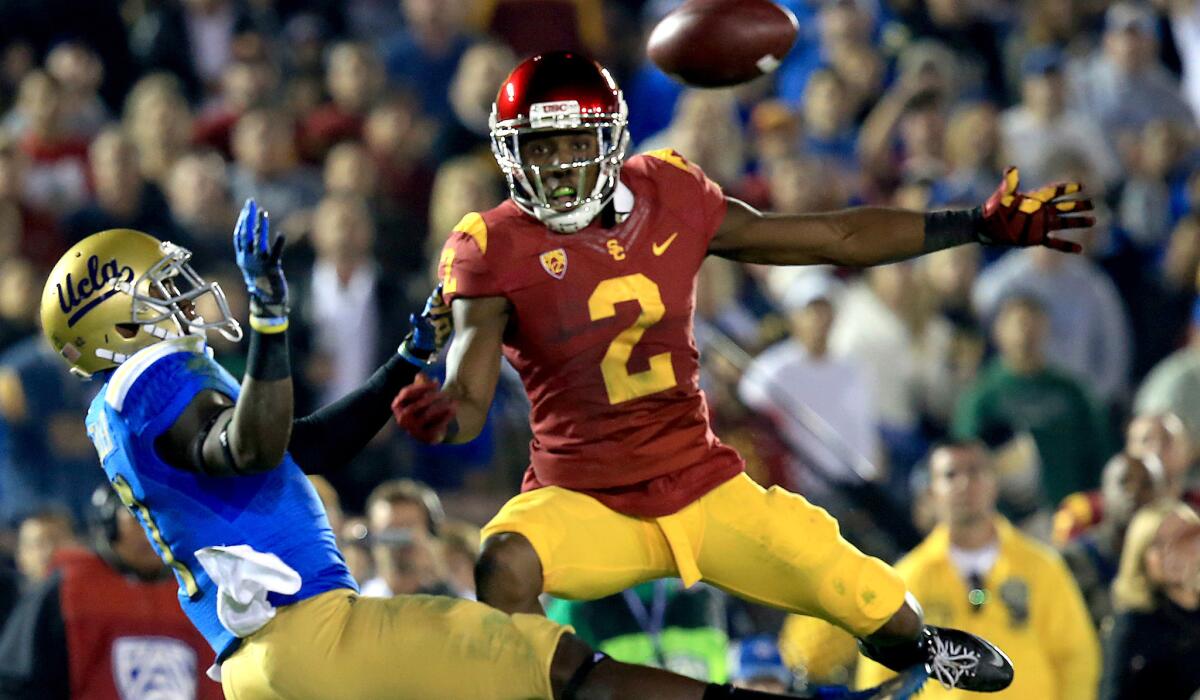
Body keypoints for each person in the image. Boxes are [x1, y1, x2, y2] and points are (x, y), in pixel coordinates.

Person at [392, 51, 1097, 692]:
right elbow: (470, 392)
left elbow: (830, 236)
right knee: (503, 563)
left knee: (866, 596)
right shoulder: (490, 244)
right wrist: (446, 413)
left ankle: (917, 645)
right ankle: (573, 686)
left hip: (701, 486)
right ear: (510, 152)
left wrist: (972, 224)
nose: (562, 165)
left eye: (578, 142)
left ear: (611, 142)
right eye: (543, 147)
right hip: (583, 498)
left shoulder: (670, 191)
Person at [41, 203, 856, 700]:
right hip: (311, 635)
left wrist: (402, 363)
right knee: (554, 665)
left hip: (268, 662)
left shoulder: (130, 408)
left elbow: (302, 446)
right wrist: (269, 324)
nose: (185, 297)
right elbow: (253, 450)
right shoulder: (155, 378)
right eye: (161, 291)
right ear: (115, 323)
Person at [856, 442, 1101, 699]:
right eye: (951, 475)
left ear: (994, 483)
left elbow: (1077, 658)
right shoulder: (908, 577)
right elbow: (878, 676)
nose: (964, 484)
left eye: (974, 471)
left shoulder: (1042, 567)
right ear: (931, 492)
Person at [0, 485, 218, 699]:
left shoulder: (208, 591)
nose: (155, 533)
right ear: (109, 523)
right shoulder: (66, 589)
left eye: (164, 519)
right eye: (139, 520)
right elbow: (18, 682)